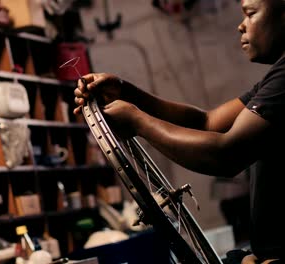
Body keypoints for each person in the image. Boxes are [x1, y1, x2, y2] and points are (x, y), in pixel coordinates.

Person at [73, 0, 284, 263]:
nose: (241, 25)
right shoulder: (274, 79)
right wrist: (126, 91)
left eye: (251, 14)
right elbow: (207, 122)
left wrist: (137, 121)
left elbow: (227, 154)